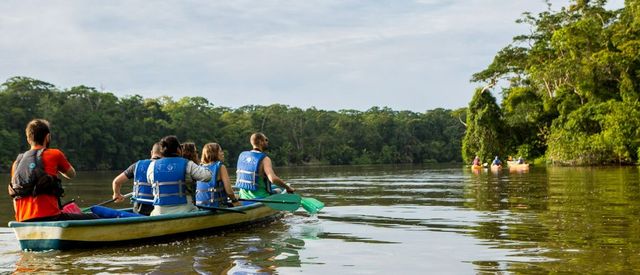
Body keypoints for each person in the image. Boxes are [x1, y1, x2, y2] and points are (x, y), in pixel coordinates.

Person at [8, 119, 98, 222]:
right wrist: (57, 167)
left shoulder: (17, 163)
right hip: (51, 217)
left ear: (28, 139)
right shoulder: (55, 154)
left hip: (23, 219)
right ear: (47, 137)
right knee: (94, 217)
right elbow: (71, 174)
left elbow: (15, 195)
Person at [148, 135, 212, 216]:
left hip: (158, 213)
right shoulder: (188, 164)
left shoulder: (152, 166)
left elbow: (150, 181)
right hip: (186, 212)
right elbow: (208, 176)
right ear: (178, 149)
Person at [236, 133, 295, 202]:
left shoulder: (242, 156)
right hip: (260, 197)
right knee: (279, 190)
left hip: (243, 197)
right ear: (261, 142)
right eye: (266, 140)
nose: (267, 142)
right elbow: (273, 179)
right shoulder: (265, 159)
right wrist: (287, 188)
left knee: (276, 189)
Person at [111, 142, 162, 215]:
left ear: (151, 152)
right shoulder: (164, 167)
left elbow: (116, 182)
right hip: (157, 208)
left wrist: (116, 194)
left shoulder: (137, 165)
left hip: (138, 209)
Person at [195, 143, 241, 208]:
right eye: (220, 151)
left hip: (200, 206)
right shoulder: (220, 167)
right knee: (239, 204)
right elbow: (229, 192)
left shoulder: (199, 167)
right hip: (217, 206)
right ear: (214, 153)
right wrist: (235, 201)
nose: (223, 153)